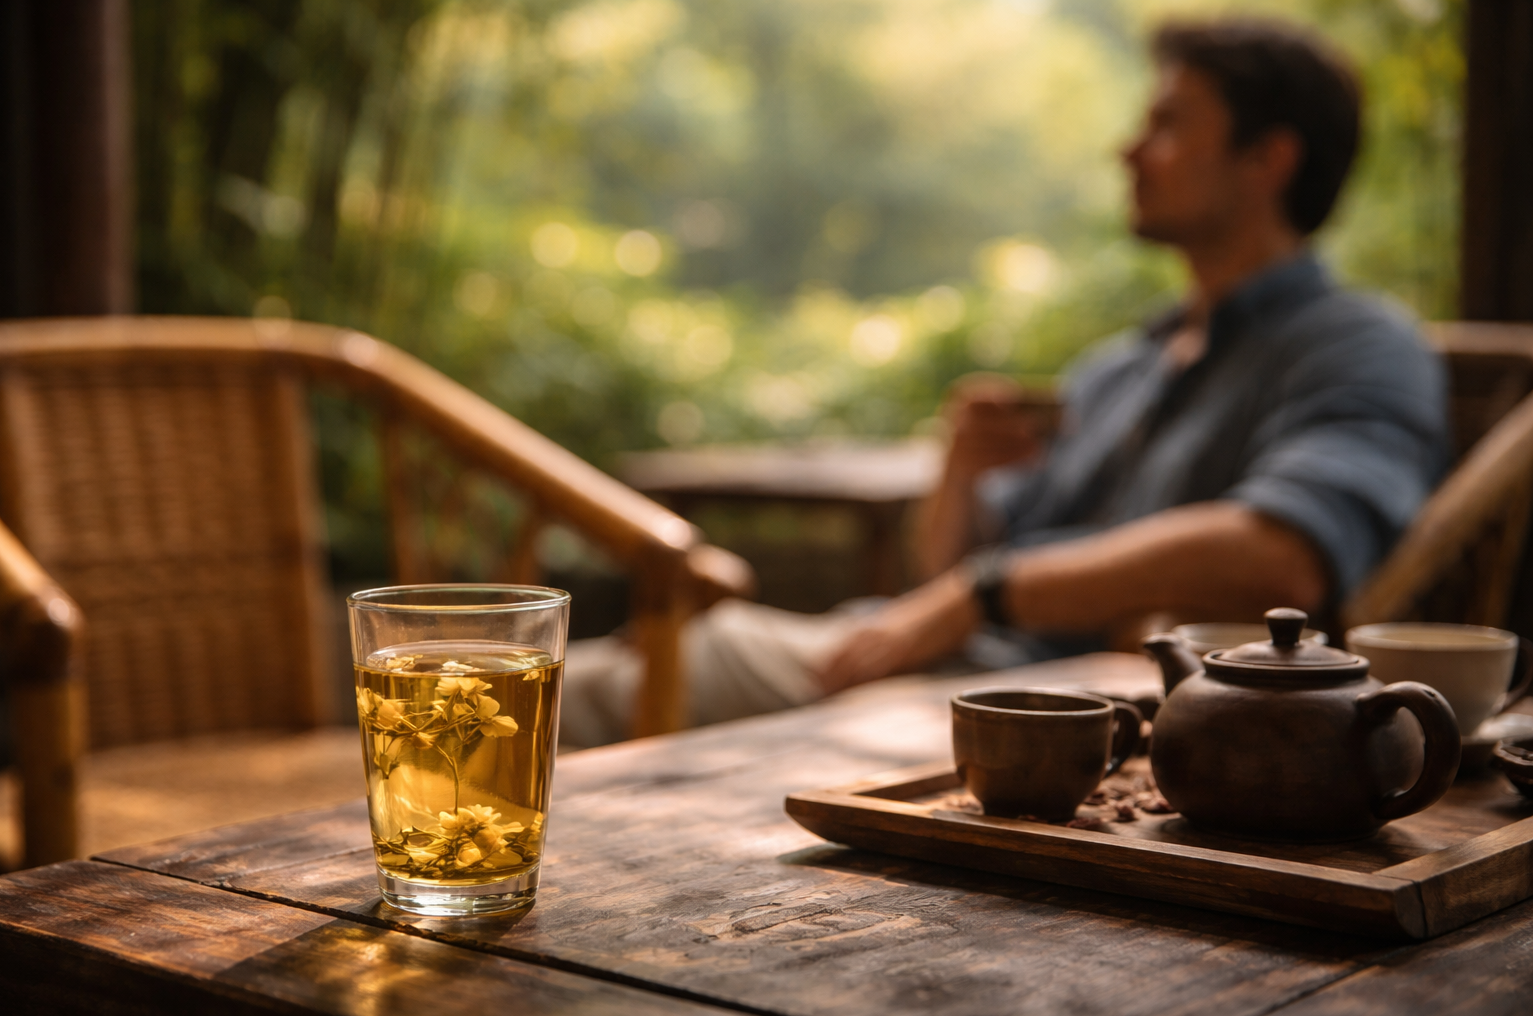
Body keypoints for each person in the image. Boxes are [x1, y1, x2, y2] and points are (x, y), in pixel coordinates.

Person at [557, 18, 1449, 748]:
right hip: (952, 669)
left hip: (1056, 706)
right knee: (626, 663)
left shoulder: (1360, 346)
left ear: (1269, 159)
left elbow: (1287, 551)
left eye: (1170, 124)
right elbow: (946, 579)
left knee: (597, 679)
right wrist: (963, 474)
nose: (1129, 151)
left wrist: (986, 589)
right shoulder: (1123, 367)